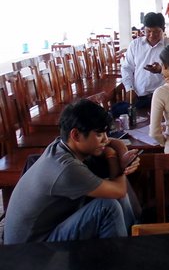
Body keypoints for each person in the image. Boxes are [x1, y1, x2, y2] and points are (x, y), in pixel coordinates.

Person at [4, 100, 141, 244]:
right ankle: (122, 259)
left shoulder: (61, 145)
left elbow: (113, 142)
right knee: (107, 207)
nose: (105, 139)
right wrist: (112, 156)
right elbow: (119, 190)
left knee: (108, 191)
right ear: (75, 135)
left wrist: (121, 151)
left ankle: (133, 235)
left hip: (44, 231)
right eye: (100, 134)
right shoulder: (66, 169)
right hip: (29, 251)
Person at [121, 12, 169, 109]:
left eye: (156, 31)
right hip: (139, 96)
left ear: (163, 30)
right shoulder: (135, 45)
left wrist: (161, 70)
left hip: (163, 96)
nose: (151, 35)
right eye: (148, 31)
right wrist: (129, 88)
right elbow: (127, 68)